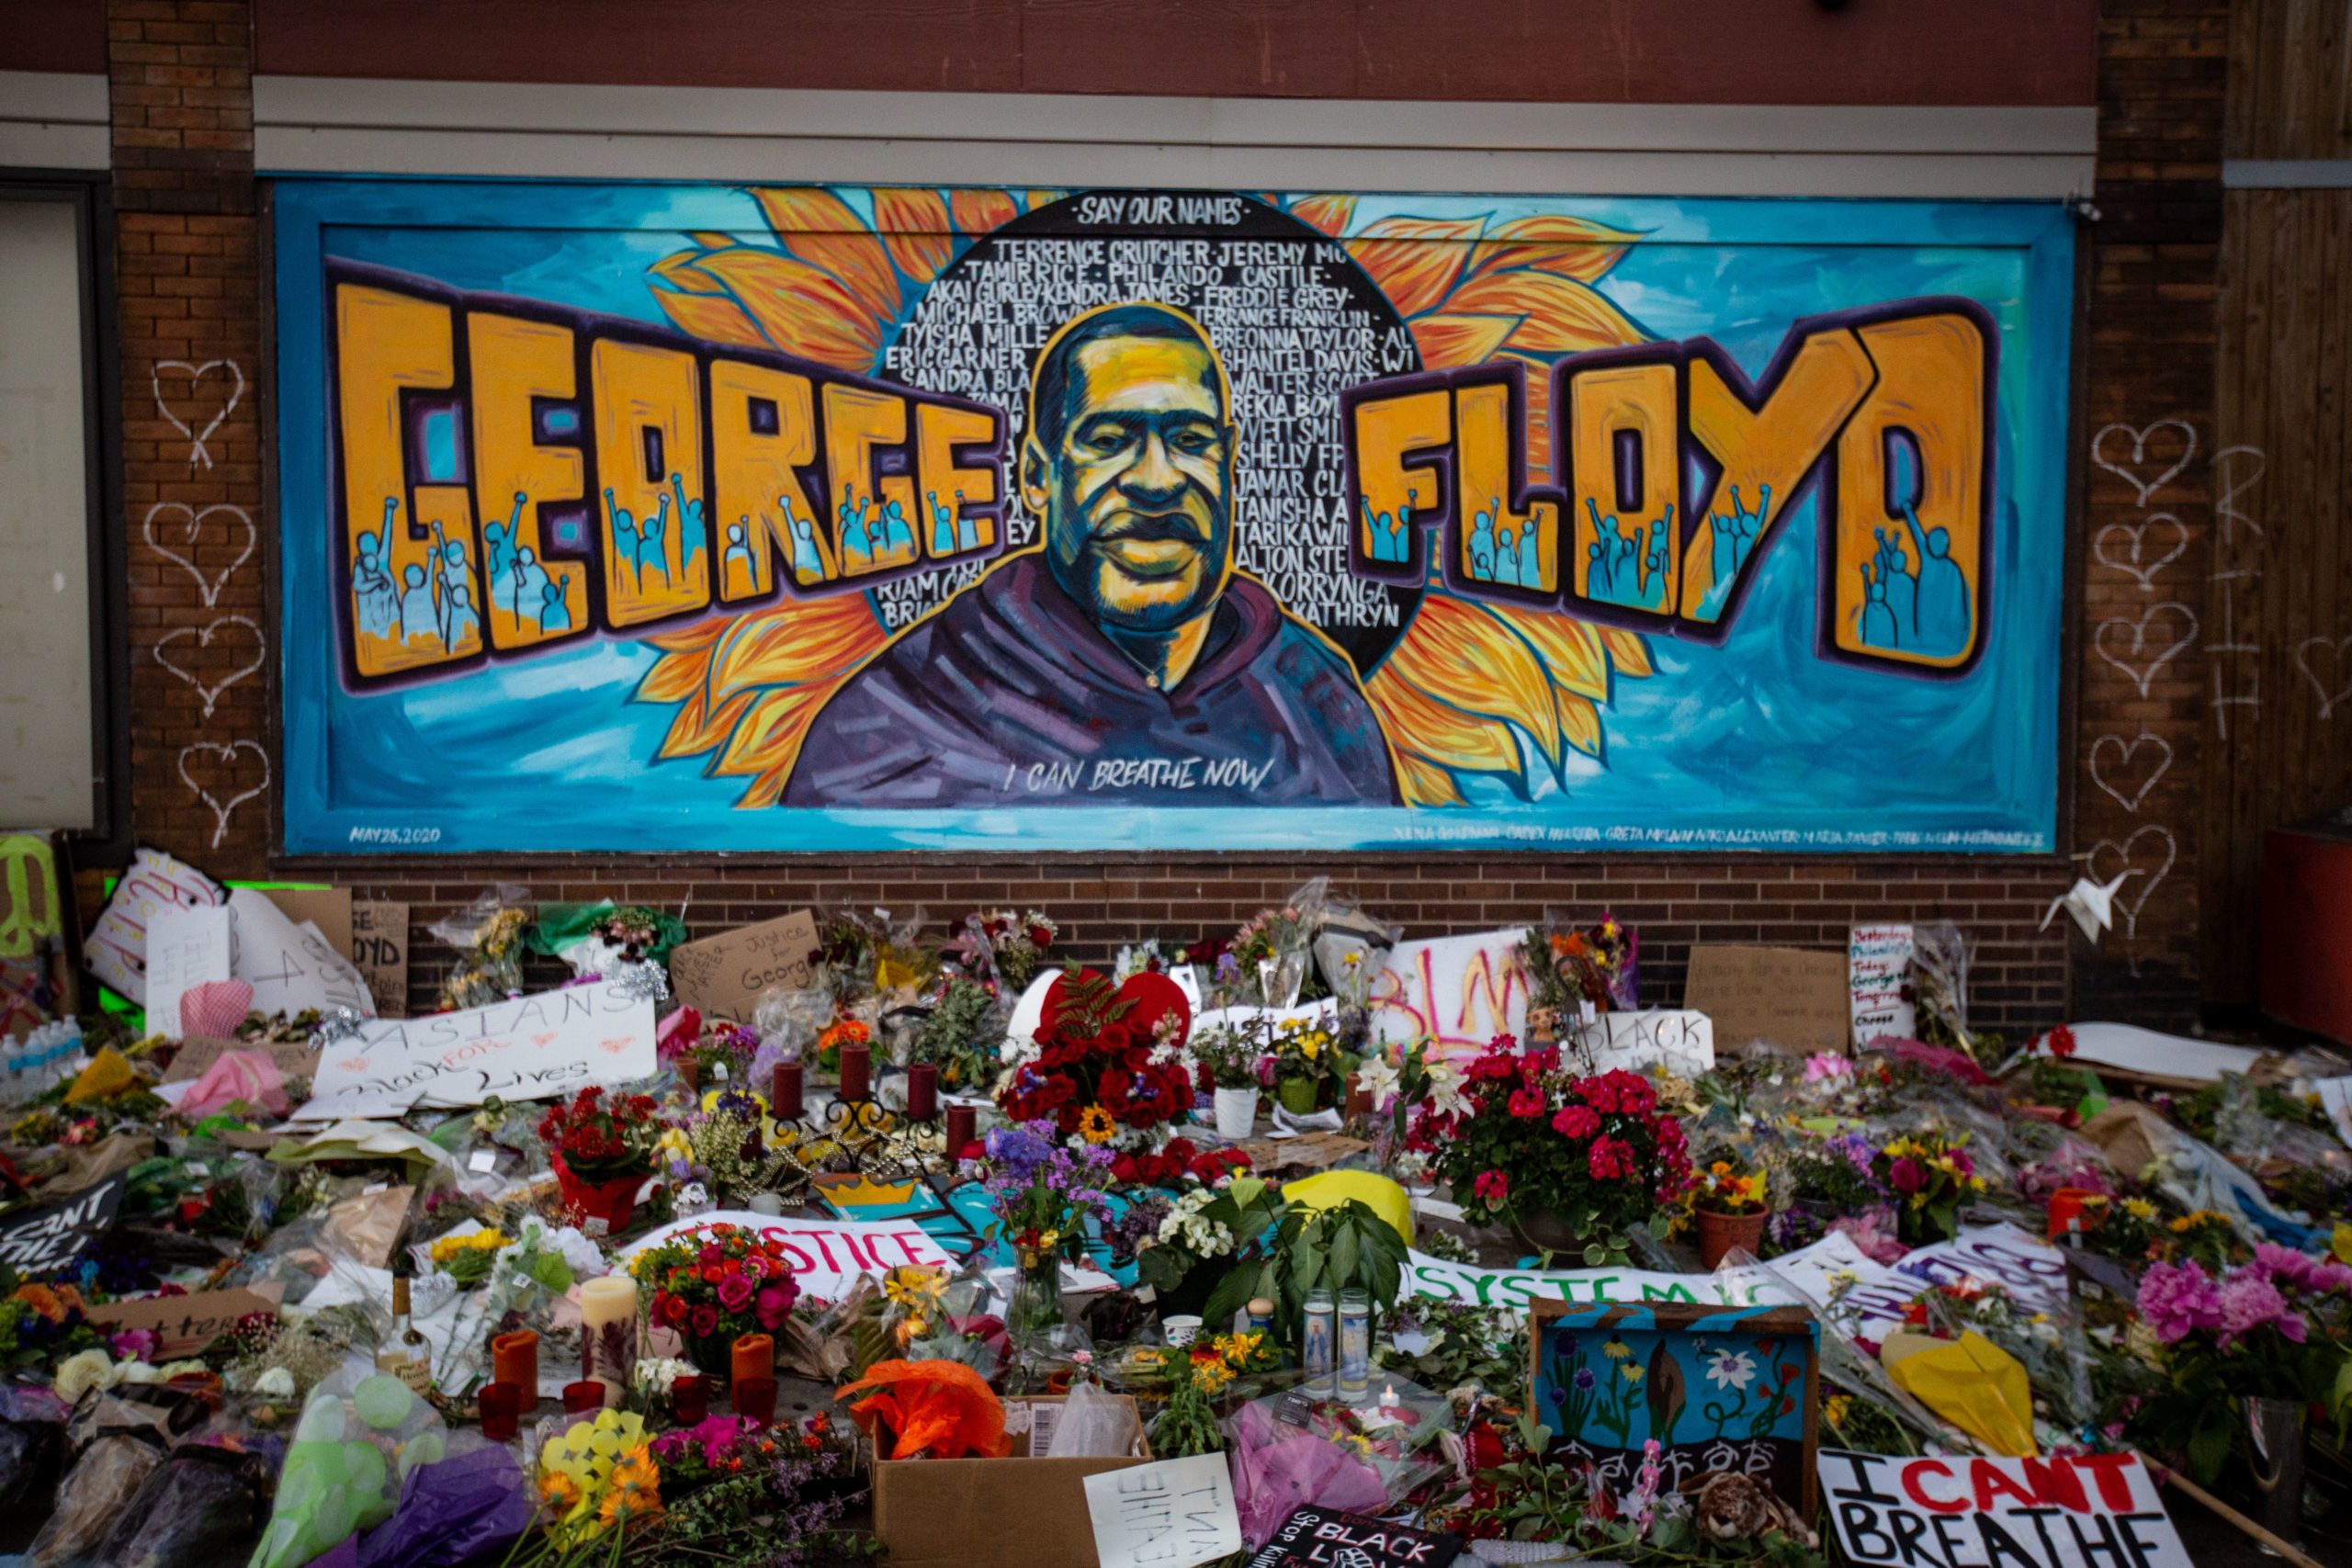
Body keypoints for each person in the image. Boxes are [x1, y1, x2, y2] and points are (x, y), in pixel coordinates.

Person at [785, 299, 1397, 807]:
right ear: (1035, 475)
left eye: (1190, 439)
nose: (1158, 482)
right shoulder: (903, 713)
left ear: (1229, 461)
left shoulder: (1316, 702)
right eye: (1108, 440)